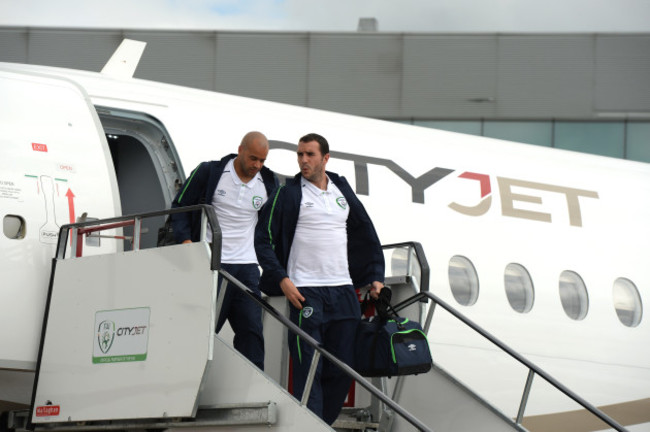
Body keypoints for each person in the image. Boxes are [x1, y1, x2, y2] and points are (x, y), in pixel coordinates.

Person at [254, 133, 385, 425]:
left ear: (325, 158)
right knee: (307, 369)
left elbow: (365, 232)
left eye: (310, 154)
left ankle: (318, 424)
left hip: (343, 292)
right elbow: (263, 239)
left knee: (343, 369)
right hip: (306, 292)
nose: (303, 160)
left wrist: (375, 276)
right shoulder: (287, 193)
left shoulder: (341, 189)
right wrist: (282, 280)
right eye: (300, 154)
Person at [171, 131, 279, 370]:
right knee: (205, 331)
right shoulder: (211, 172)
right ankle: (187, 381)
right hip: (212, 264)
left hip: (248, 267)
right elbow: (179, 206)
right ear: (240, 149)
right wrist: (186, 242)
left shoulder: (268, 183)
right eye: (253, 158)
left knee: (252, 332)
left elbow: (271, 225)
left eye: (262, 160)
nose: (257, 165)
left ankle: (251, 390)